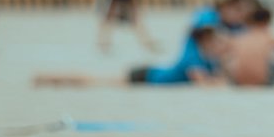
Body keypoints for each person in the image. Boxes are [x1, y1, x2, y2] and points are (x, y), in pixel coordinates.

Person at [34, 25, 231, 88]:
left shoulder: (200, 55)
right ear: (207, 41)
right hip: (146, 76)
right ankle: (50, 78)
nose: (220, 47)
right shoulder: (193, 57)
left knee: (97, 80)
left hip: (149, 73)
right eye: (217, 43)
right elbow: (203, 83)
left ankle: (51, 79)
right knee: (95, 81)